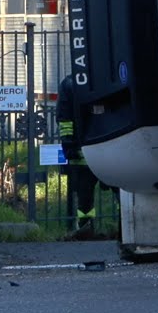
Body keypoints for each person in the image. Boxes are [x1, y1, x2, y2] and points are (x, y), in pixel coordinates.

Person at [57, 75, 101, 238]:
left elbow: (64, 118)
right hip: (108, 151)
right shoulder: (104, 77)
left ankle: (86, 230)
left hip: (81, 153)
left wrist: (69, 144)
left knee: (84, 198)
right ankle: (125, 228)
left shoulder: (69, 84)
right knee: (120, 192)